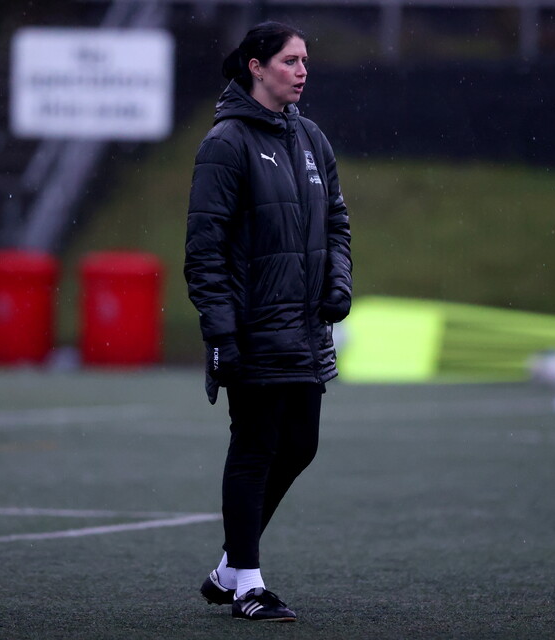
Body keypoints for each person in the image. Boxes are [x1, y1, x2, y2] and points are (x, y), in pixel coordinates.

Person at [184, 22, 352, 622]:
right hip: (252, 330)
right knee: (254, 449)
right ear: (256, 67)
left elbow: (337, 223)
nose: (302, 71)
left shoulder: (311, 138)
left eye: (305, 60)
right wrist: (221, 332)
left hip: (305, 331)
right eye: (289, 60)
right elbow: (204, 250)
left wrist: (337, 282)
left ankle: (229, 568)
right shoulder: (225, 143)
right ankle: (248, 587)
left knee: (300, 445)